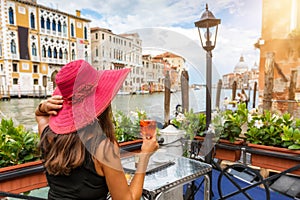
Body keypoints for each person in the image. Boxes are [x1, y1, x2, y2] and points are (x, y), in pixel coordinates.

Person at [35, 60, 159, 200]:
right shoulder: (103, 148)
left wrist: (42, 107)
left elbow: (40, 117)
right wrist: (144, 156)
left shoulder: (47, 135)